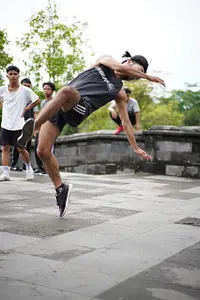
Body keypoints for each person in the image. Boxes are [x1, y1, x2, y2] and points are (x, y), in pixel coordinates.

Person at [17, 51, 165, 217]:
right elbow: (117, 66)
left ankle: (33, 127)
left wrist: (136, 147)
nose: (136, 77)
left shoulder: (120, 92)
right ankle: (61, 189)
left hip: (79, 107)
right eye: (138, 71)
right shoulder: (105, 60)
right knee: (42, 151)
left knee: (67, 91)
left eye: (138, 76)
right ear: (129, 62)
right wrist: (148, 76)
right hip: (58, 107)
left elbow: (125, 122)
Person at [0, 66, 40, 181]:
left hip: (19, 124)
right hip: (5, 124)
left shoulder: (25, 90)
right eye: (10, 74)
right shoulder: (2, 89)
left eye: (15, 74)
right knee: (5, 148)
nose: (13, 76)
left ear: (18, 76)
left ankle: (29, 168)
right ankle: (6, 173)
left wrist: (27, 108)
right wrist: (3, 107)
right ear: (7, 76)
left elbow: (37, 100)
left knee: (20, 148)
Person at [11, 78, 37, 171]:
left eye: (28, 86)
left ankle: (25, 165)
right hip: (18, 124)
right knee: (17, 145)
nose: (27, 88)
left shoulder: (33, 99)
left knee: (28, 145)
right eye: (25, 86)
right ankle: (13, 164)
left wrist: (35, 127)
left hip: (29, 125)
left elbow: (35, 114)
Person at [34, 81, 56, 174]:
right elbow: (40, 115)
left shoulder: (55, 101)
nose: (46, 91)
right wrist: (36, 127)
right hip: (42, 127)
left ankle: (50, 169)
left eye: (48, 89)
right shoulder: (43, 102)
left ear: (52, 91)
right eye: (45, 89)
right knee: (37, 148)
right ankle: (41, 167)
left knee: (49, 149)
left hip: (51, 127)